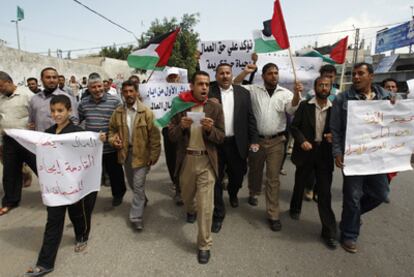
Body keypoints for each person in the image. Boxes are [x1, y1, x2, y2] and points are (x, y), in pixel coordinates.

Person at [25, 95, 102, 277]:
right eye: (53, 111)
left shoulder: (78, 133)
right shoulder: (49, 133)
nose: (56, 114)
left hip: (74, 186)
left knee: (77, 215)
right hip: (56, 188)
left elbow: (89, 149)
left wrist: (99, 139)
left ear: (69, 111)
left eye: (60, 110)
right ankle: (45, 263)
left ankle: (82, 236)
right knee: (53, 222)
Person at [330, 62, 391, 253]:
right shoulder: (343, 99)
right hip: (353, 156)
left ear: (371, 76)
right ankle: (349, 234)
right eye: (354, 74)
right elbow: (336, 129)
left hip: (377, 157)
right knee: (352, 197)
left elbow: (400, 125)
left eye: (360, 73)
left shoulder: (387, 97)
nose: (356, 77)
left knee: (381, 194)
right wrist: (337, 152)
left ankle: (351, 217)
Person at [233, 62, 302, 232]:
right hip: (256, 142)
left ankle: (273, 214)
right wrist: (245, 72)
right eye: (270, 73)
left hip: (276, 142)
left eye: (276, 73)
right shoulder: (254, 90)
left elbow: (292, 110)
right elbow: (234, 86)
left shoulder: (285, 93)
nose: (274, 76)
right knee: (255, 170)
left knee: (273, 178)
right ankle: (253, 192)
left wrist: (297, 94)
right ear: (263, 76)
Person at [168, 71, 224, 264]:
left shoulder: (215, 108)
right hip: (187, 161)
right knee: (187, 198)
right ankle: (190, 210)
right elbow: (171, 136)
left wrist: (210, 130)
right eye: (200, 84)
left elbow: (221, 137)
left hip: (206, 162)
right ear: (191, 86)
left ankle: (204, 244)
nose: (204, 88)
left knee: (206, 206)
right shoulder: (179, 106)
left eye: (207, 84)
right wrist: (181, 126)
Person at [208, 63, 259, 233]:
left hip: (237, 143)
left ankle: (233, 192)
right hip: (216, 143)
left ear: (232, 75)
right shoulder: (209, 92)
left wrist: (254, 140)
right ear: (216, 76)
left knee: (238, 175)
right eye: (221, 73)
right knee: (215, 179)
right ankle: (218, 214)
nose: (224, 76)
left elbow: (250, 118)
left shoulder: (243, 93)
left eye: (227, 73)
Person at [289, 76, 337, 249]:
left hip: (324, 154)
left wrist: (334, 136)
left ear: (331, 88)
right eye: (321, 85)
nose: (324, 88)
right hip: (306, 151)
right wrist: (302, 141)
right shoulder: (305, 106)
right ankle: (295, 208)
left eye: (327, 85)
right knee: (300, 182)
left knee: (324, 192)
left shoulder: (335, 109)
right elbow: (294, 127)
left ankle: (329, 231)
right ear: (315, 87)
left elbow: (340, 129)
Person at [108, 80, 161, 231]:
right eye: (126, 92)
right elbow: (111, 130)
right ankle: (142, 198)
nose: (129, 94)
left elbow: (155, 137)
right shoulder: (117, 113)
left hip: (142, 155)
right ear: (122, 94)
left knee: (138, 185)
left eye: (131, 91)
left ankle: (136, 216)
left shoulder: (147, 113)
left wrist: (154, 155)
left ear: (137, 92)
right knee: (132, 183)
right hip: (125, 154)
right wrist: (113, 140)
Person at [78, 75, 126, 207]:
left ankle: (118, 194)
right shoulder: (83, 103)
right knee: (91, 174)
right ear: (88, 88)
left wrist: (116, 137)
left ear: (104, 86)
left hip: (110, 146)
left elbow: (121, 121)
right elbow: (79, 120)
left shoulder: (115, 101)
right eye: (93, 87)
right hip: (92, 148)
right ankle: (89, 198)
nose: (97, 89)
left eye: (99, 86)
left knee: (115, 173)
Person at [0, 71, 37, 216]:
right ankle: (10, 201)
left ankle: (56, 195)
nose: (0, 89)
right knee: (10, 173)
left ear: (9, 82)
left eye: (1, 86)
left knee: (41, 169)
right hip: (9, 140)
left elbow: (36, 116)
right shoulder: (1, 99)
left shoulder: (27, 95)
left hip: (27, 140)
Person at [304, 64, 339, 201]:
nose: (327, 80)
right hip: (313, 135)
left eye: (330, 77)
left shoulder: (338, 94)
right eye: (325, 76)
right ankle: (309, 188)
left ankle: (319, 190)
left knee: (325, 168)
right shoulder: (311, 94)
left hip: (329, 138)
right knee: (311, 167)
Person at [29, 67, 78, 132]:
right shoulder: (34, 99)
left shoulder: (67, 98)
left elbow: (74, 121)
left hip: (59, 140)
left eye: (54, 77)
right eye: (48, 77)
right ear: (41, 80)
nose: (52, 80)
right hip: (40, 139)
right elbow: (32, 121)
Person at [163, 68, 183, 205]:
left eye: (175, 76)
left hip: (183, 129)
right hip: (167, 129)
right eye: (170, 77)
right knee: (171, 158)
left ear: (179, 78)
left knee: (182, 158)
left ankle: (182, 186)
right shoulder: (160, 92)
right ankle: (176, 183)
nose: (173, 79)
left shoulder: (186, 92)